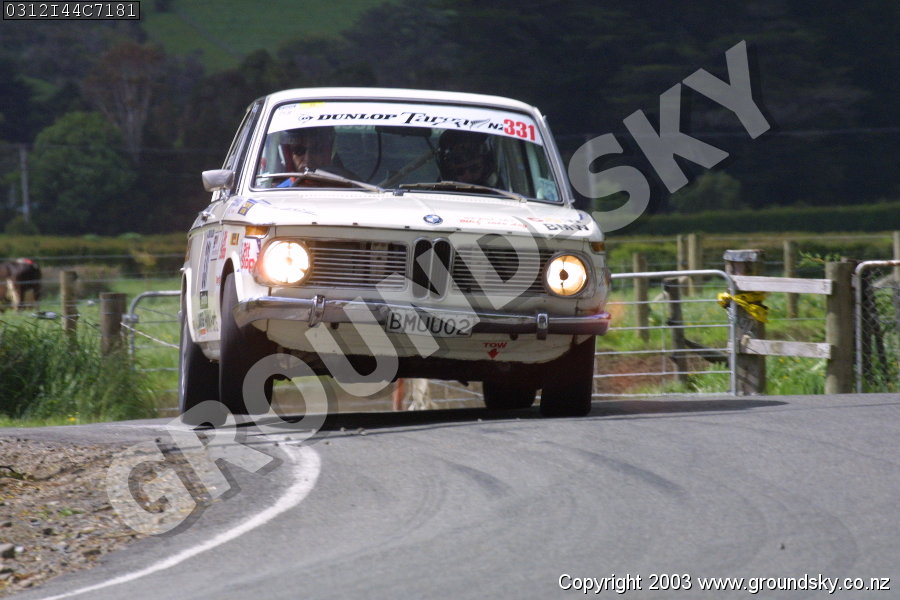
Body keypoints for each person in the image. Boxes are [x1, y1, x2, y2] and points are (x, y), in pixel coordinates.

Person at [276, 127, 357, 187]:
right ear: (289, 156)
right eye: (298, 150)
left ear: (329, 152)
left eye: (316, 150)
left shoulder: (352, 186)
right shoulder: (278, 195)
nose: (308, 160)